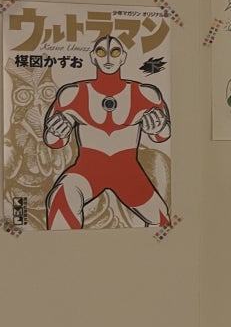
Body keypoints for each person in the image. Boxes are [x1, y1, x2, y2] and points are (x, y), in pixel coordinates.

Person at [43, 35, 171, 228]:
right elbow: (53, 140)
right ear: (93, 57)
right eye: (102, 52)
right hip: (87, 171)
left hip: (128, 173)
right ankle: (62, 248)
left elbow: (163, 135)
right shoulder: (72, 94)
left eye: (115, 52)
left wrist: (158, 127)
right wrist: (57, 132)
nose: (109, 58)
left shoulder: (146, 93)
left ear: (123, 57)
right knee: (61, 198)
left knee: (161, 220)